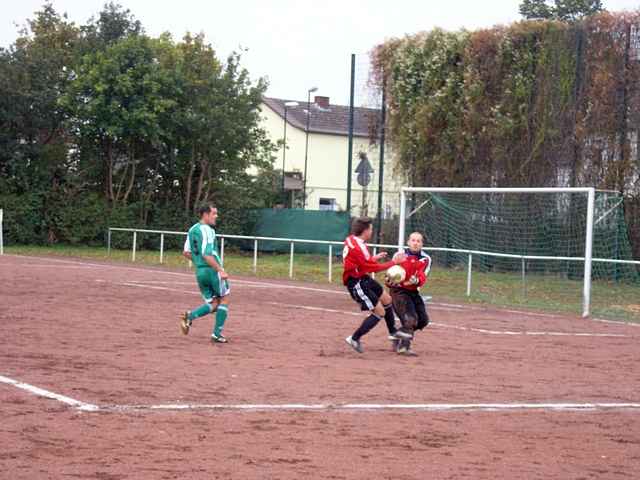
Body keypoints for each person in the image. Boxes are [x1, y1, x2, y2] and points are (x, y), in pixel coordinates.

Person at [343, 217, 411, 353]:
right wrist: (394, 262)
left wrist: (373, 259)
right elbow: (373, 268)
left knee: (387, 300)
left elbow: (359, 262)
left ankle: (393, 332)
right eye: (371, 229)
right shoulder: (358, 247)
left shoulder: (352, 240)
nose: (372, 231)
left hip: (361, 276)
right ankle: (354, 338)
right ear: (365, 230)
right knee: (380, 312)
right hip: (357, 283)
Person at [180, 204, 230, 344]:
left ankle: (190, 316)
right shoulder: (208, 230)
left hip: (200, 272)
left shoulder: (192, 230)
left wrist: (199, 263)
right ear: (205, 214)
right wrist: (220, 270)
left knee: (214, 303)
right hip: (212, 270)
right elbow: (207, 254)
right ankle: (217, 334)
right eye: (214, 213)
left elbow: (186, 252)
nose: (216, 216)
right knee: (224, 299)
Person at [386, 232, 431, 356]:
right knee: (410, 319)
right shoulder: (399, 256)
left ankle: (398, 334)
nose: (415, 243)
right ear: (408, 242)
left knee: (423, 321)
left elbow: (422, 276)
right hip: (399, 292)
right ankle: (404, 347)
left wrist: (417, 281)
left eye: (418, 241)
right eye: (413, 240)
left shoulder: (425, 259)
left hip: (413, 291)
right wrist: (389, 282)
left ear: (422, 244)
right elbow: (390, 273)